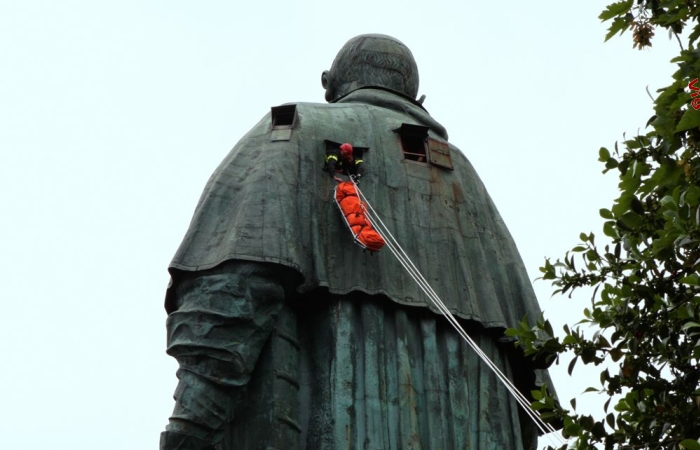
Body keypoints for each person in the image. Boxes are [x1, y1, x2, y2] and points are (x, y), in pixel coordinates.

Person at [160, 34, 556, 450]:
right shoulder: (462, 175)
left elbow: (233, 288)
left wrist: (191, 425)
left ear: (328, 84)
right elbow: (527, 383)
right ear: (416, 98)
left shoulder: (293, 129)